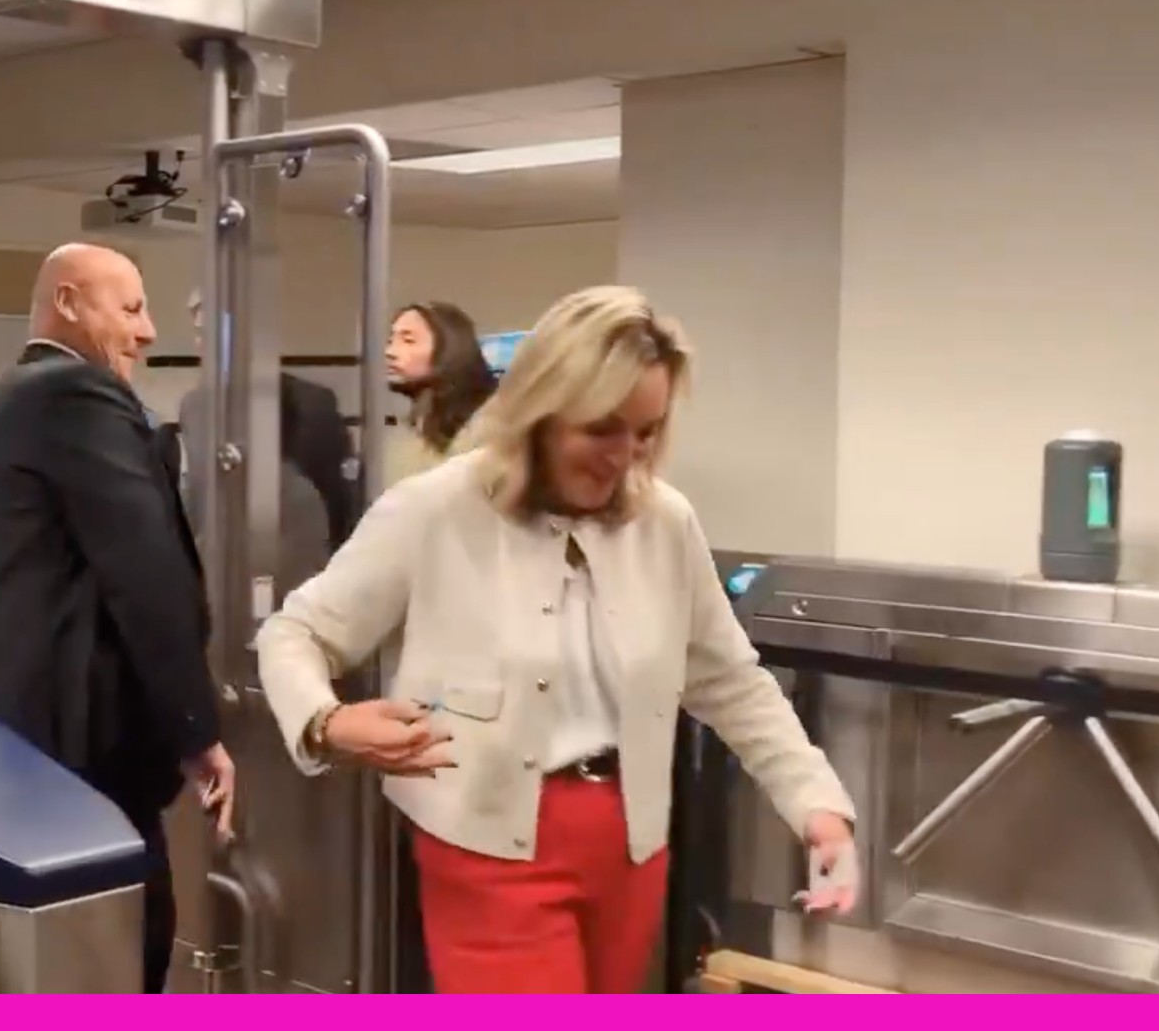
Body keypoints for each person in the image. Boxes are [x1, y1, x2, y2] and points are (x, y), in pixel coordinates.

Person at [256, 286, 859, 995]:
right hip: (486, 847)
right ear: (540, 412)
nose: (623, 456)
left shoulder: (665, 523)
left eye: (645, 432)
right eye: (601, 429)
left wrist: (817, 806)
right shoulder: (436, 509)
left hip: (631, 848)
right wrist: (326, 722)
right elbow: (295, 631)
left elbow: (730, 680)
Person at [0, 243, 234, 996]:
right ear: (68, 303)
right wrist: (196, 728)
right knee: (127, 949)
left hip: (21, 739)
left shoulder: (11, 399)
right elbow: (148, 573)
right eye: (131, 308)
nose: (148, 331)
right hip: (83, 746)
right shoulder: (75, 393)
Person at [167, 288, 359, 554]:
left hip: (298, 558)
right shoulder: (194, 409)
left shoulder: (312, 404)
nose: (202, 345)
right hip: (217, 563)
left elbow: (338, 504)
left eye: (213, 333)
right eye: (200, 333)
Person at [384, 301, 497, 485]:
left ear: (448, 349)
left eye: (408, 341)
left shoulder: (484, 426)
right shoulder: (407, 429)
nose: (390, 352)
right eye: (390, 341)